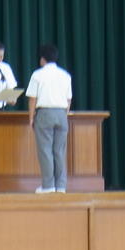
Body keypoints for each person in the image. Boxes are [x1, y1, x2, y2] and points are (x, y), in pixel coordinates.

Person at [25, 43, 72, 193]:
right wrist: (64, 114)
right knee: (59, 151)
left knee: (45, 150)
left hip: (45, 113)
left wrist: (31, 117)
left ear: (42, 59)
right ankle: (61, 186)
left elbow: (32, 98)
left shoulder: (37, 75)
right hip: (62, 113)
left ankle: (48, 186)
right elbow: (68, 99)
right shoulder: (65, 75)